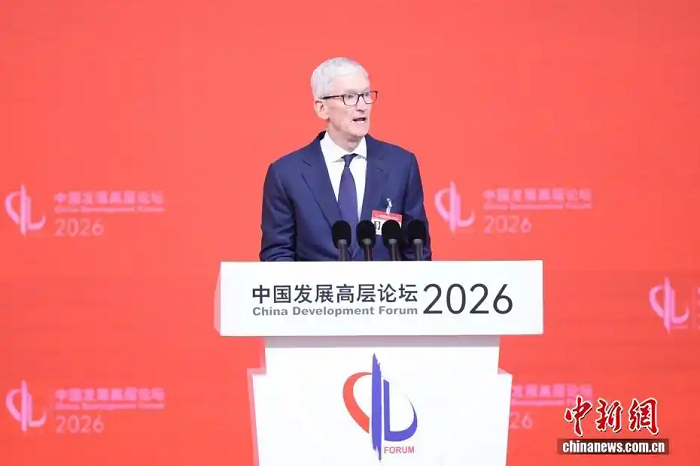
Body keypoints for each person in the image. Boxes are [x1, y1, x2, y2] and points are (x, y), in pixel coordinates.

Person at [259, 57, 431, 261]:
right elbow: (277, 254)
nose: (362, 106)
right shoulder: (287, 174)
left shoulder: (400, 165)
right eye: (349, 97)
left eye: (366, 95)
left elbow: (417, 251)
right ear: (321, 108)